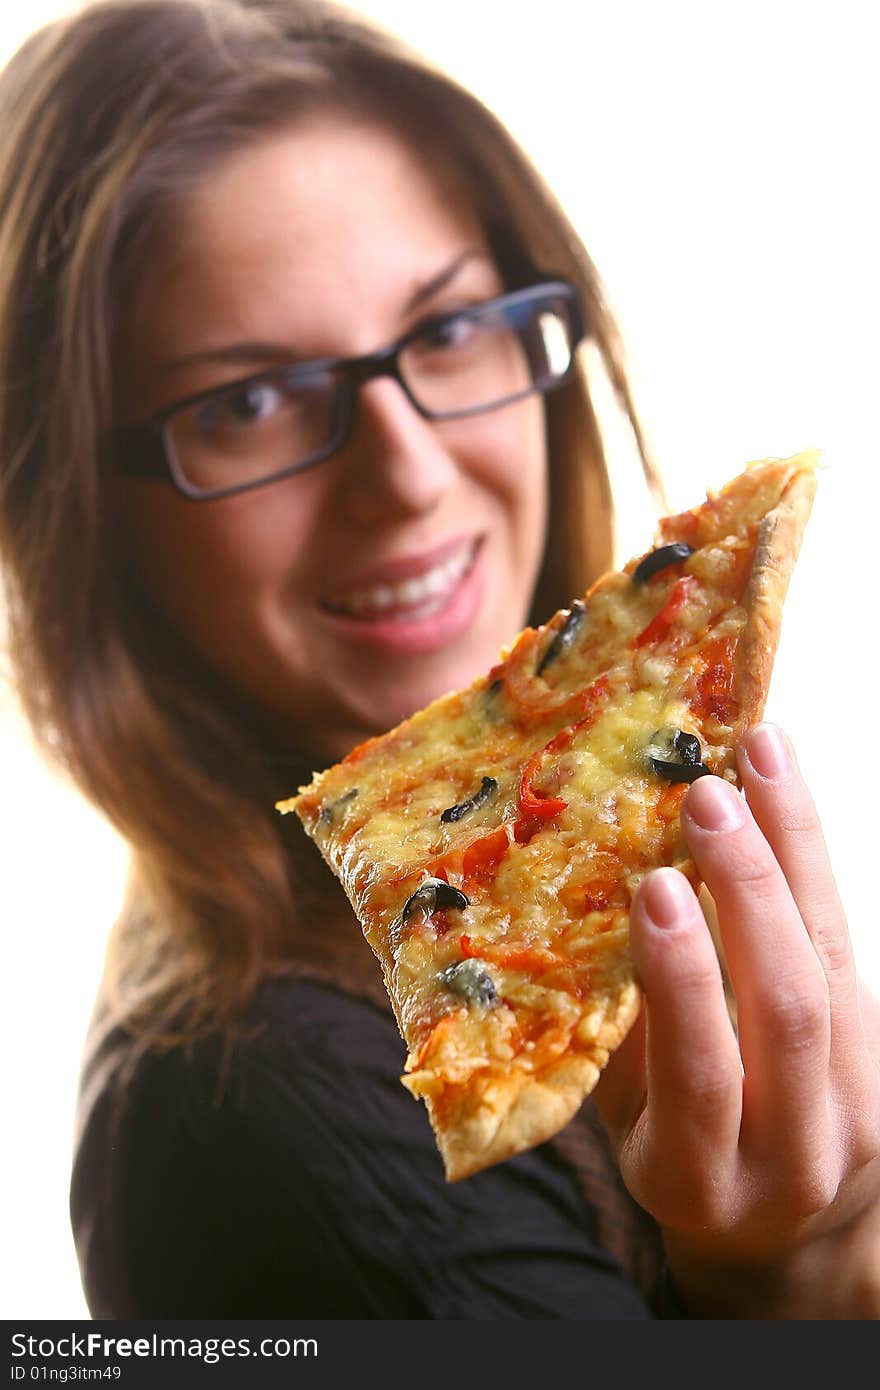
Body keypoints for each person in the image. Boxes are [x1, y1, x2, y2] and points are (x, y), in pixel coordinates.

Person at [1, 0, 877, 1321]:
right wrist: (790, 1284)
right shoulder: (284, 1122)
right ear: (81, 510)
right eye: (248, 399)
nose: (408, 474)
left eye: (451, 329)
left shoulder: (549, 915)